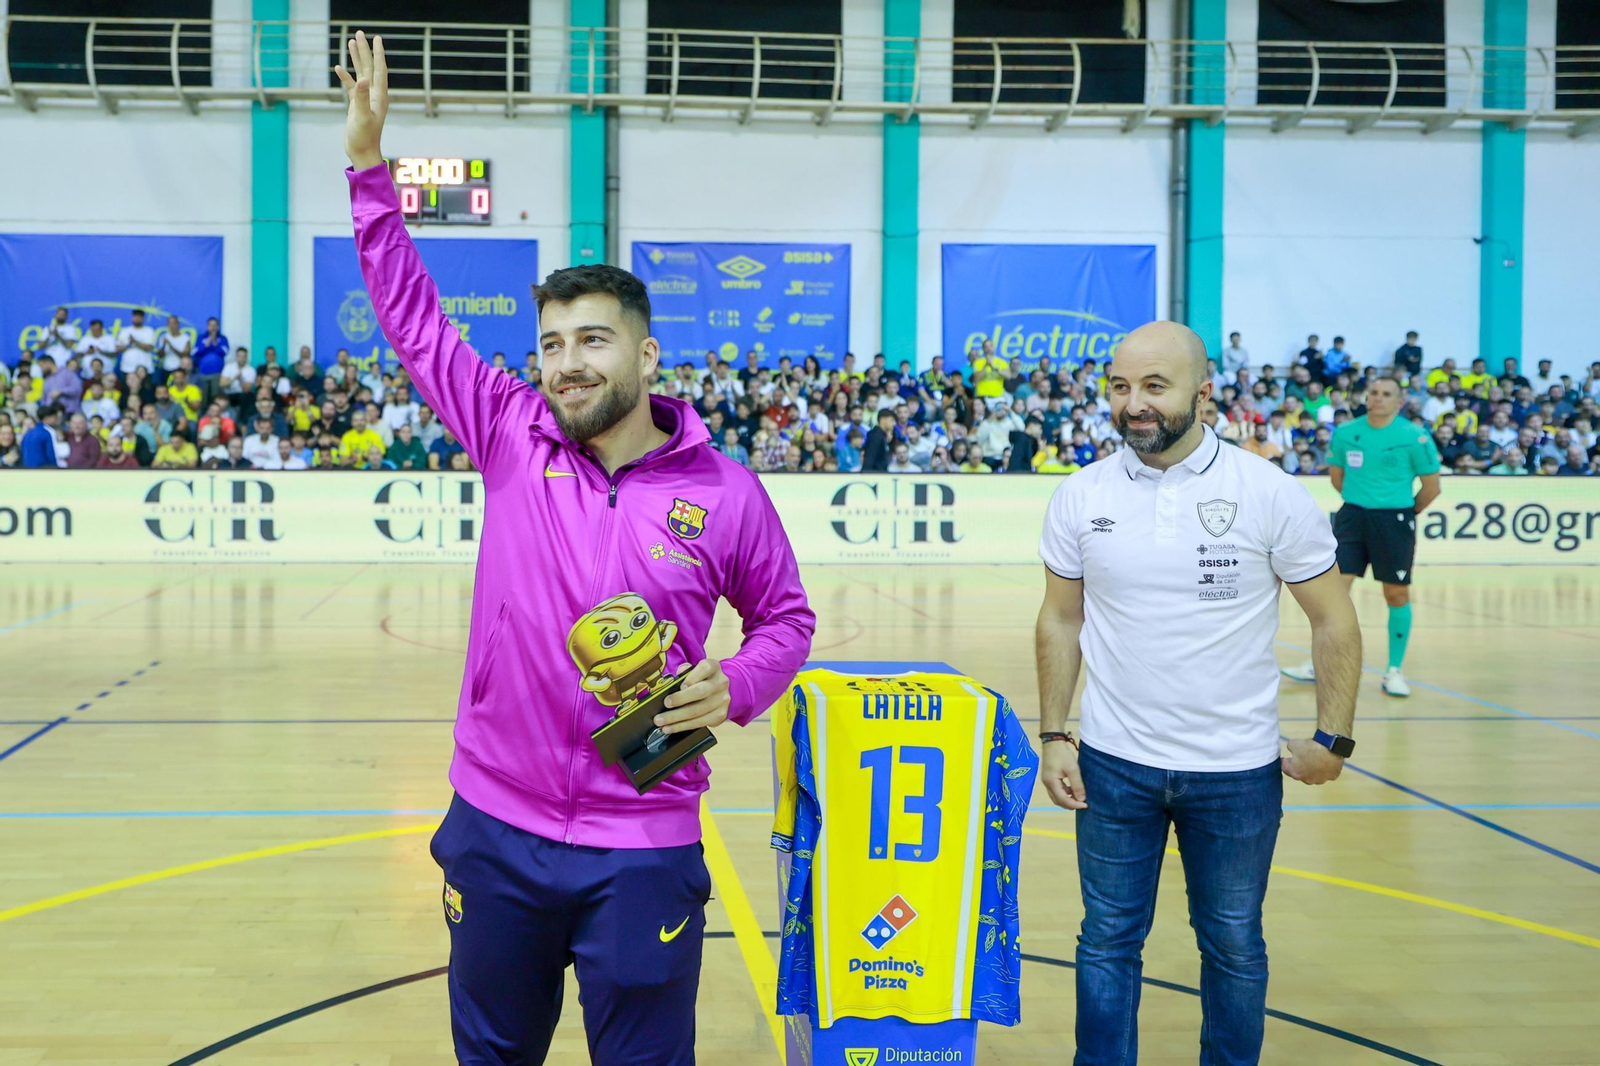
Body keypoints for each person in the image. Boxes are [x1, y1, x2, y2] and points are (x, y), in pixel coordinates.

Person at [337, 31, 816, 1064]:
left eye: (593, 340)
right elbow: (415, 322)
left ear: (646, 353)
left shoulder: (724, 494)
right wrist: (368, 168)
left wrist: (736, 683)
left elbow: (786, 621)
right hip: (495, 822)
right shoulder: (508, 431)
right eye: (551, 344)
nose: (567, 364)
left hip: (643, 837)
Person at [1034, 320, 1361, 1066]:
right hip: (1113, 766)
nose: (1134, 404)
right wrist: (1054, 734)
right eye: (1120, 387)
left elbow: (1334, 618)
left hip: (1237, 770)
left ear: (1203, 393)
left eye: (1155, 386)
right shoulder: (1081, 495)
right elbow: (1060, 618)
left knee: (1234, 944)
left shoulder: (1267, 492)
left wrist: (1333, 738)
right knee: (1106, 941)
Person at [1282, 377, 1441, 698]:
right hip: (1352, 518)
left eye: (1386, 394)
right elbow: (1337, 478)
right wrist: (1362, 503)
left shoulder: (1415, 437)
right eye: (1374, 393)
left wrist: (1403, 513)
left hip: (1394, 520)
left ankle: (1394, 670)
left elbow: (1431, 488)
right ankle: (1320, 663)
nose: (1378, 398)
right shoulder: (1345, 433)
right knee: (1334, 593)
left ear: (1400, 401)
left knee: (1396, 594)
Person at [21, 403, 65, 468]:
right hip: (43, 469)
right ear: (48, 417)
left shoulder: (28, 433)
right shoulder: (49, 432)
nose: (57, 420)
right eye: (55, 417)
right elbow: (52, 453)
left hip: (27, 468)